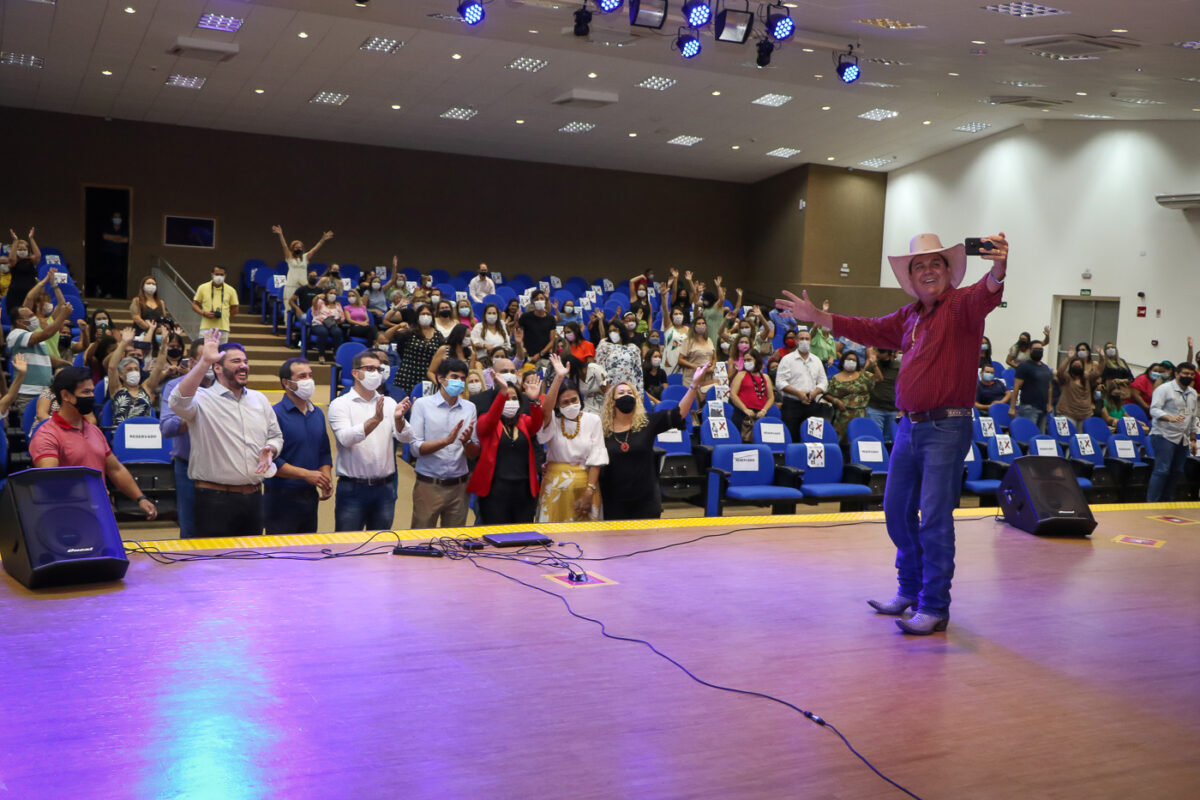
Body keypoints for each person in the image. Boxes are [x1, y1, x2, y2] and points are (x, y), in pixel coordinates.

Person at [777, 231, 1009, 635]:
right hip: (910, 425)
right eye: (919, 265)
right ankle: (910, 590)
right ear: (912, 277)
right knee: (896, 510)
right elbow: (865, 327)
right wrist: (817, 318)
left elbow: (987, 290)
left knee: (934, 517)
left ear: (949, 271)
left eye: (935, 263)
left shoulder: (961, 305)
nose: (927, 270)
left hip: (947, 425)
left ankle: (934, 606)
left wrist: (1000, 266)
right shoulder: (909, 316)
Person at [168, 333, 283, 537]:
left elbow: (276, 436)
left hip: (253, 496)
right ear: (218, 368)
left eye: (246, 361)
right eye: (236, 361)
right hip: (215, 499)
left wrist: (271, 449)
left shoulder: (259, 399)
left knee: (251, 563)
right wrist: (204, 362)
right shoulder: (202, 399)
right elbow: (176, 401)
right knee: (214, 564)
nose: (244, 365)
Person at [31, 366, 158, 519]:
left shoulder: (94, 430)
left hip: (99, 511)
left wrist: (140, 498)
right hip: (64, 515)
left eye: (92, 391)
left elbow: (115, 469)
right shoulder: (47, 434)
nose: (92, 396)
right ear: (65, 395)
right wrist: (88, 491)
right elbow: (49, 481)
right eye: (86, 392)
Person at [599, 362, 709, 521]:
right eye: (621, 392)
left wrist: (693, 385)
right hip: (613, 499)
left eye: (630, 392)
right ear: (612, 400)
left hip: (646, 498)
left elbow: (678, 414)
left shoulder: (647, 422)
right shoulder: (602, 429)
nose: (626, 395)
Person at [328, 351, 414, 531]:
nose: (375, 373)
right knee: (347, 545)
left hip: (385, 488)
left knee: (380, 547)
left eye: (378, 369)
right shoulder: (341, 404)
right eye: (369, 368)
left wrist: (399, 420)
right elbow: (345, 439)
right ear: (355, 373)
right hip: (353, 488)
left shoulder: (389, 403)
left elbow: (406, 438)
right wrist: (375, 420)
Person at [408, 357, 479, 528]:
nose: (459, 382)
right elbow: (415, 449)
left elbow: (474, 453)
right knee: (421, 541)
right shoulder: (423, 405)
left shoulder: (470, 407)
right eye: (454, 377)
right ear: (441, 378)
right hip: (429, 485)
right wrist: (446, 442)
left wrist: (467, 442)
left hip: (459, 486)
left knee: (453, 544)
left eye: (463, 379)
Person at [265, 358, 334, 534]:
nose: (309, 380)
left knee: (307, 548)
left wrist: (325, 478)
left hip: (309, 495)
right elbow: (271, 460)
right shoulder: (275, 414)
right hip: (281, 496)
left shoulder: (317, 413)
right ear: (286, 383)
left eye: (310, 375)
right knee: (281, 552)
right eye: (302, 376)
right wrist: (306, 475)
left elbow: (324, 451)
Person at [536, 354, 608, 522]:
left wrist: (589, 491)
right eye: (565, 402)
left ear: (580, 399)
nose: (570, 405)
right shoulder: (553, 420)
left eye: (573, 400)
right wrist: (559, 378)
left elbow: (597, 459)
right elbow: (545, 410)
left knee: (588, 541)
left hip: (586, 486)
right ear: (558, 405)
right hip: (555, 487)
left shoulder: (593, 420)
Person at [467, 378, 544, 524]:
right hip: (495, 491)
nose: (510, 402)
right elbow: (490, 421)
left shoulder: (523, 420)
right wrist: (502, 395)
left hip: (524, 491)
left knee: (522, 536)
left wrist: (534, 401)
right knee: (496, 536)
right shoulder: (485, 420)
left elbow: (536, 424)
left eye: (514, 398)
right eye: (506, 398)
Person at [160, 339, 210, 538]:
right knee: (190, 527)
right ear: (191, 362)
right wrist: (191, 415)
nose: (210, 365)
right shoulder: (174, 387)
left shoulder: (224, 388)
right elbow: (167, 427)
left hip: (220, 466)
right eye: (204, 359)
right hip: (187, 465)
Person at [6, 296, 73, 420]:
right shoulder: (15, 334)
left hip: (44, 392)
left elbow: (46, 358)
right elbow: (46, 334)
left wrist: (66, 364)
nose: (34, 318)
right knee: (33, 430)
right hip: (27, 393)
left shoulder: (32, 337)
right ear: (20, 322)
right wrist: (62, 316)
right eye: (30, 316)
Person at [1146, 363, 1198, 502]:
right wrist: (1170, 418)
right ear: (1176, 374)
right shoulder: (1164, 389)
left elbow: (1192, 417)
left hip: (1183, 438)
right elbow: (1154, 410)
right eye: (1185, 373)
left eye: (1191, 375)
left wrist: (1193, 440)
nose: (1189, 377)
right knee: (1162, 470)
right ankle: (1152, 503)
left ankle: (1167, 502)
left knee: (1177, 471)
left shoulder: (1192, 393)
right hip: (1164, 434)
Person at [774, 327, 832, 440]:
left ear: (810, 341)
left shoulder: (816, 360)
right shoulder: (787, 359)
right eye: (801, 338)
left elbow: (823, 382)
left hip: (812, 404)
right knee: (792, 437)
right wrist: (798, 394)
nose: (804, 341)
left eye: (807, 338)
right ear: (796, 341)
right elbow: (780, 383)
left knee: (812, 438)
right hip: (792, 405)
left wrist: (814, 393)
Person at [106, 326, 167, 425]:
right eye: (129, 369)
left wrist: (164, 344)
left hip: (146, 436)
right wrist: (123, 343)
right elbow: (112, 367)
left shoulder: (147, 388)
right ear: (121, 375)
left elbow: (159, 367)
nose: (133, 372)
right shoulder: (116, 390)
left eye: (136, 369)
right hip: (123, 436)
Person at [272, 225, 332, 310]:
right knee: (289, 308)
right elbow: (284, 246)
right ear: (292, 248)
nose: (298, 248)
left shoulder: (305, 257)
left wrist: (323, 240)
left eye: (300, 247)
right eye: (296, 247)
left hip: (303, 285)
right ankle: (288, 322)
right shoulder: (289, 257)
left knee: (305, 305)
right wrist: (280, 234)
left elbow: (315, 249)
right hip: (291, 285)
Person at [825, 350, 877, 442]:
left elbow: (879, 379)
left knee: (859, 442)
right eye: (849, 359)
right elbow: (826, 394)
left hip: (861, 414)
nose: (851, 361)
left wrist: (875, 365)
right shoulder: (834, 378)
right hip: (842, 415)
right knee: (841, 443)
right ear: (843, 361)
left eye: (854, 360)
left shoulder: (863, 375)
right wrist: (836, 401)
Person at [593, 311, 643, 393]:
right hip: (611, 390)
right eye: (610, 331)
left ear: (621, 331)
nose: (612, 333)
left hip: (630, 389)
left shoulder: (633, 348)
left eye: (615, 330)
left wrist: (640, 394)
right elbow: (600, 371)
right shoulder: (604, 346)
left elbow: (639, 374)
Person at [1009, 340, 1053, 432]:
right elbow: (1016, 387)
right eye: (1036, 349)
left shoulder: (1045, 368)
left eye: (1041, 349)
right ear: (1029, 350)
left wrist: (1049, 404)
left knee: (1039, 438)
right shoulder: (1024, 367)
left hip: (1043, 408)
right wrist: (1012, 408)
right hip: (1029, 408)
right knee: (1029, 434)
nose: (1039, 351)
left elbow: (1049, 388)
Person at [729, 352, 773, 441]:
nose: (746, 362)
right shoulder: (741, 375)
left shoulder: (765, 377)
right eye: (744, 360)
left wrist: (764, 410)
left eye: (749, 360)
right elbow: (733, 394)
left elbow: (771, 397)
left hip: (760, 414)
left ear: (756, 360)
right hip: (742, 414)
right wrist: (745, 409)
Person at [192, 266, 239, 344]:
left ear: (225, 275)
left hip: (223, 327)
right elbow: (194, 304)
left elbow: (235, 308)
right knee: (204, 351)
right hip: (206, 327)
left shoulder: (231, 290)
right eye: (217, 274)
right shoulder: (202, 287)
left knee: (221, 352)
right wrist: (204, 313)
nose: (219, 277)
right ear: (212, 275)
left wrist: (225, 315)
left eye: (221, 274)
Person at [865, 348, 901, 445]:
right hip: (875, 407)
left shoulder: (899, 366)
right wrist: (872, 363)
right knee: (875, 439)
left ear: (889, 353)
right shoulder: (874, 365)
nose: (878, 354)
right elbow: (864, 378)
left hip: (893, 408)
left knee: (890, 441)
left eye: (881, 352)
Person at [1055, 354, 1100, 430]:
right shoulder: (1066, 378)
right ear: (1070, 367)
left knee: (1081, 439)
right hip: (1067, 414)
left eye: (1079, 365)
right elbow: (1060, 372)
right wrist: (1068, 358)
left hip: (1085, 414)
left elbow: (1099, 372)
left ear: (1083, 367)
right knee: (1066, 438)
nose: (1077, 367)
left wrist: (1102, 357)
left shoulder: (1087, 378)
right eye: (1075, 365)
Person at [6, 227, 41, 319]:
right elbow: (11, 259)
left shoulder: (31, 261)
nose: (22, 251)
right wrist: (15, 241)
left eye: (24, 249)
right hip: (14, 296)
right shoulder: (13, 262)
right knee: (16, 320)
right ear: (16, 251)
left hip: (29, 295)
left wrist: (31, 238)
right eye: (19, 249)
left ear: (28, 251)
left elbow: (37, 256)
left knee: (29, 320)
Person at [519, 289, 558, 368]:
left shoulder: (551, 319)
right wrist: (522, 348)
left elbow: (552, 340)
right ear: (532, 302)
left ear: (545, 300)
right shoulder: (525, 317)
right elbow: (520, 336)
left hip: (545, 358)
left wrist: (540, 354)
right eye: (536, 299)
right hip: (529, 357)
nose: (539, 300)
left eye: (541, 298)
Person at [94, 212, 129, 298]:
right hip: (108, 255)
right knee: (107, 274)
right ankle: (105, 292)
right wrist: (118, 238)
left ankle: (116, 294)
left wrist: (112, 238)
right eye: (115, 217)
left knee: (118, 275)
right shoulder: (108, 227)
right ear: (112, 218)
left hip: (119, 256)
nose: (117, 219)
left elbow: (125, 239)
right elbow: (105, 236)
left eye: (118, 217)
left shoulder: (124, 229)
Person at [308, 286, 346, 362]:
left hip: (332, 324)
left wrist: (338, 320)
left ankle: (336, 354)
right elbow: (314, 307)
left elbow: (342, 317)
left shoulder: (338, 305)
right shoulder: (320, 302)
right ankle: (321, 355)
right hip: (319, 323)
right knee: (323, 332)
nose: (333, 295)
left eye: (334, 293)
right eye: (331, 293)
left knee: (337, 332)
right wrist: (316, 297)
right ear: (326, 294)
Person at [677, 317, 716, 390]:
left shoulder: (709, 340)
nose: (701, 325)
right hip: (692, 376)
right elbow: (680, 360)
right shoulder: (688, 341)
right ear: (694, 326)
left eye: (703, 323)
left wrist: (712, 367)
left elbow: (714, 358)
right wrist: (693, 366)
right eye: (698, 323)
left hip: (707, 377)